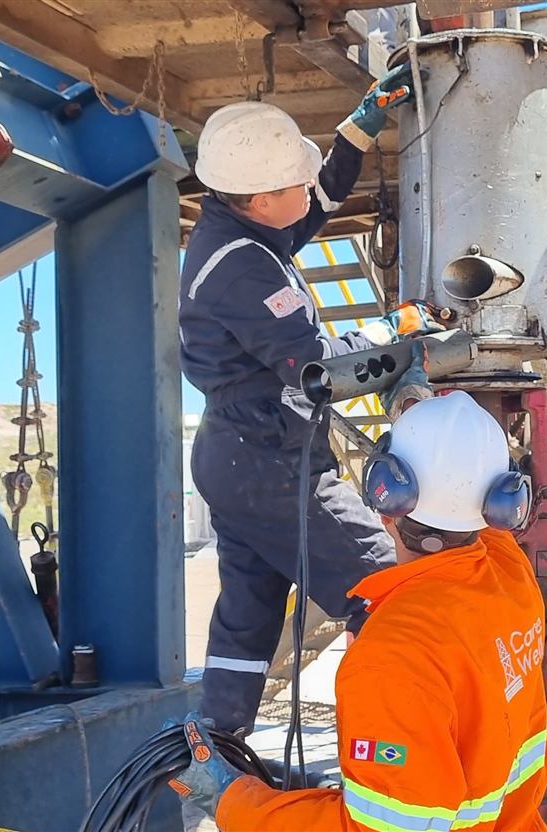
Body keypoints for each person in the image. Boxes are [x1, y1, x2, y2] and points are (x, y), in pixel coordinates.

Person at [179, 66, 440, 735]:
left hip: (237, 454)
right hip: (268, 461)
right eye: (293, 180)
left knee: (250, 608)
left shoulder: (247, 224)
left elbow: (320, 192)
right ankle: (396, 742)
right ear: (259, 199)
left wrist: (365, 120)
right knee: (386, 592)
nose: (309, 185)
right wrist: (395, 328)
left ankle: (218, 746)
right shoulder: (239, 266)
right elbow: (319, 369)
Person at [169, 391, 547, 831]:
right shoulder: (509, 574)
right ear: (499, 503)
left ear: (384, 494)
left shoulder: (391, 657)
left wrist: (231, 802)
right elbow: (469, 511)